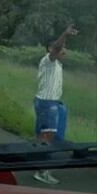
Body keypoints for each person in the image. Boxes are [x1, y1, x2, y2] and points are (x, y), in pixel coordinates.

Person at [33, 24, 78, 185]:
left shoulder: (57, 64)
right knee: (48, 136)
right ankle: (42, 171)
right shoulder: (48, 60)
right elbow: (56, 47)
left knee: (46, 135)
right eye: (62, 48)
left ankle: (38, 164)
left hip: (52, 103)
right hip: (47, 103)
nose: (64, 50)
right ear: (52, 49)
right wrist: (64, 34)